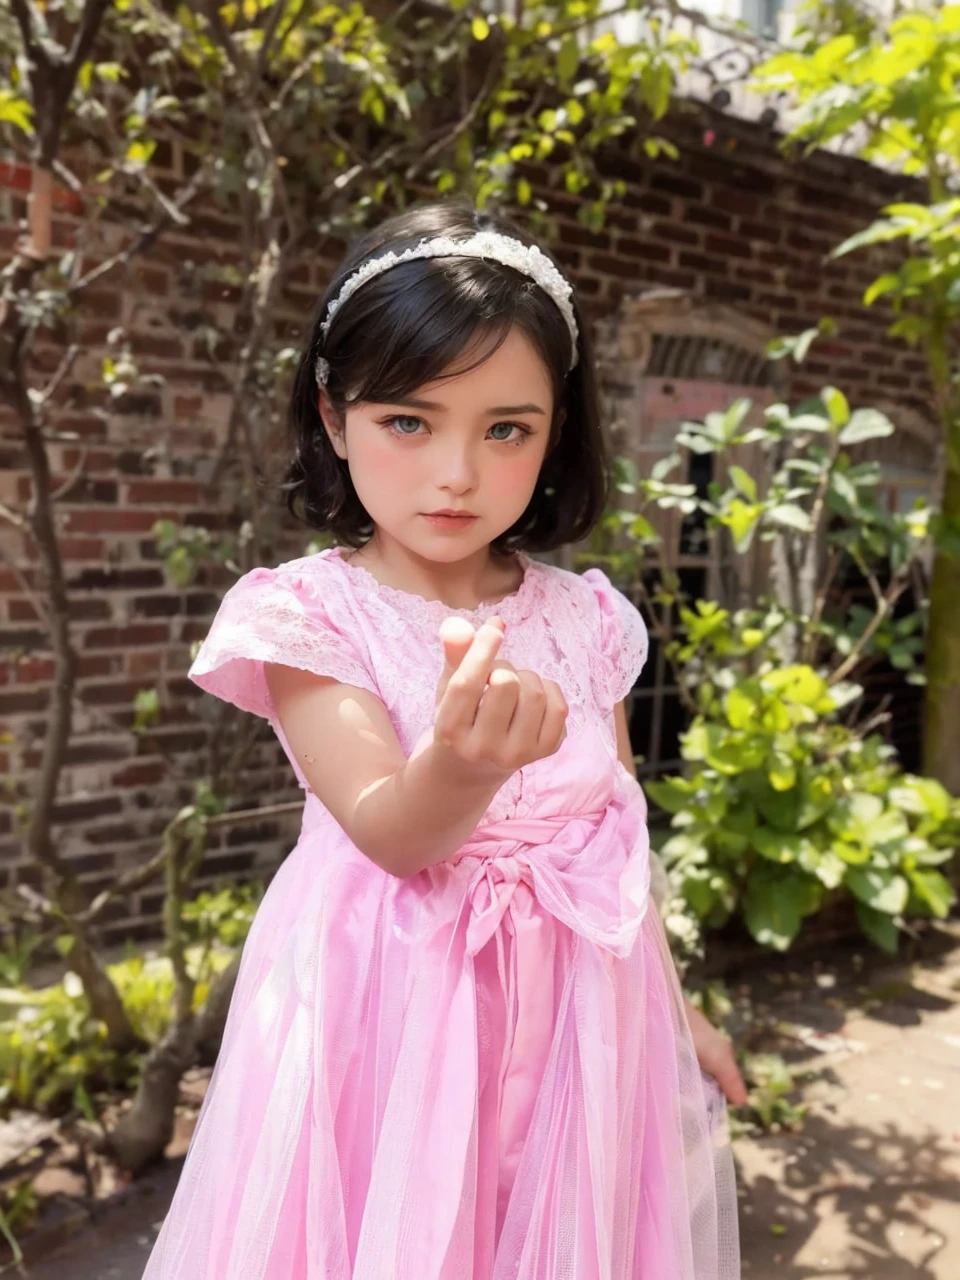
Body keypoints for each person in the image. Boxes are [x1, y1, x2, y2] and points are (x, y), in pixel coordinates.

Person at [143, 203, 744, 1280]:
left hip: (576, 1025)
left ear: (557, 427)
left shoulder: (591, 617)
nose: (457, 472)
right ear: (334, 417)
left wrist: (678, 1007)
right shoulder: (312, 615)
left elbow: (619, 843)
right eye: (410, 422)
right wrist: (463, 763)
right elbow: (388, 828)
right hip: (387, 1014)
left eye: (505, 427)